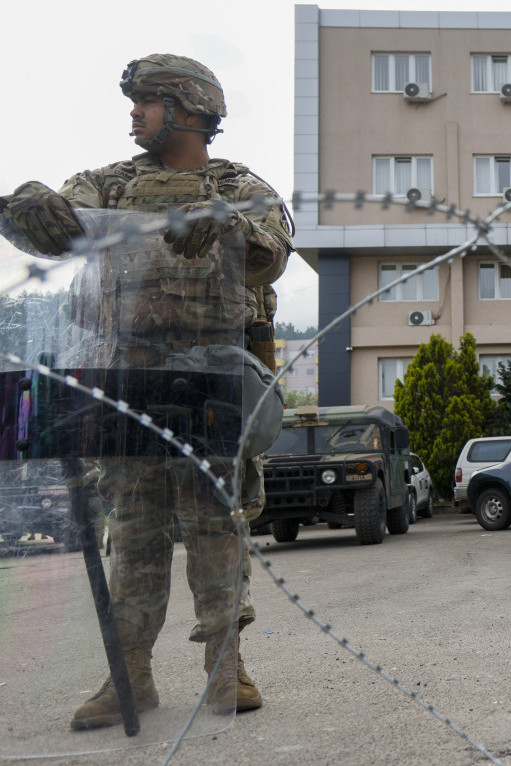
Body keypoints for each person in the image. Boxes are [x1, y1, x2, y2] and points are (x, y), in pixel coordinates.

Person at [0, 54, 292, 725]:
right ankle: (127, 678)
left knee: (216, 526)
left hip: (206, 386)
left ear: (187, 108)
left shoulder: (237, 184)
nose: (134, 114)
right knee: (132, 533)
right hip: (120, 383)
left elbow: (271, 255)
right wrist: (32, 209)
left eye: (145, 102)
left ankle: (227, 670)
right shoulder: (107, 184)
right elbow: (54, 227)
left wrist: (227, 223)